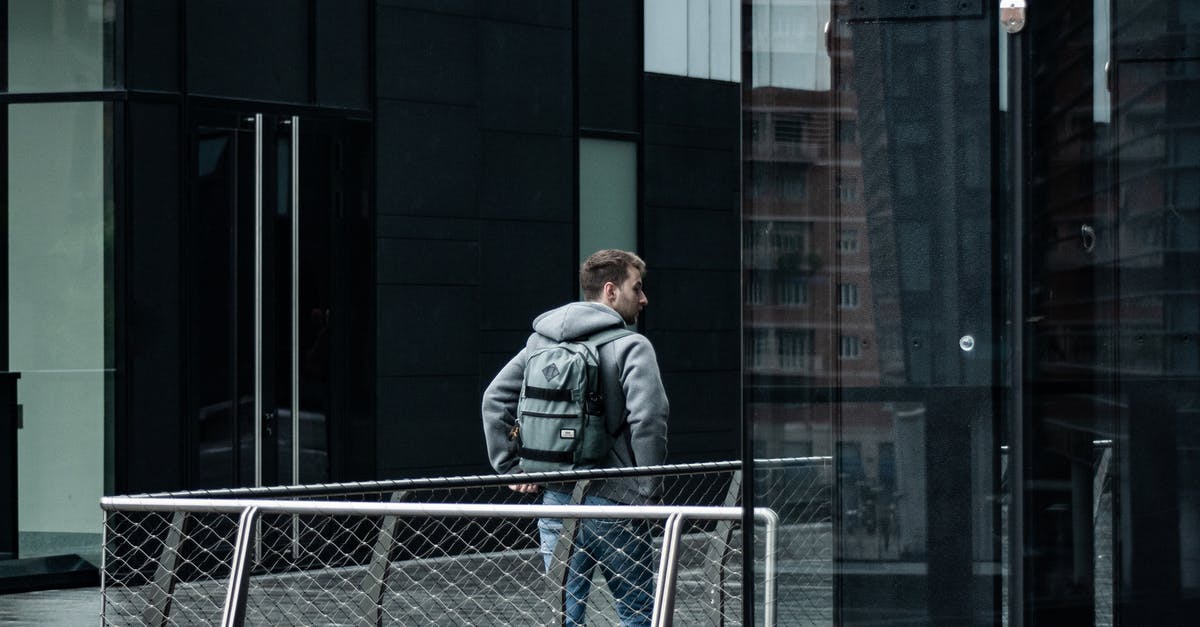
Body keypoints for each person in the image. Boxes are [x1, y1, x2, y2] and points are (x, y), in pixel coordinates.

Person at [482, 249, 669, 626]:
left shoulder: (541, 342)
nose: (644, 298)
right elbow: (649, 419)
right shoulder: (633, 346)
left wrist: (513, 468)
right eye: (638, 288)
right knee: (638, 613)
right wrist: (649, 491)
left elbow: (494, 398)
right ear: (611, 291)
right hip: (618, 501)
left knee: (564, 614)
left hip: (556, 498)